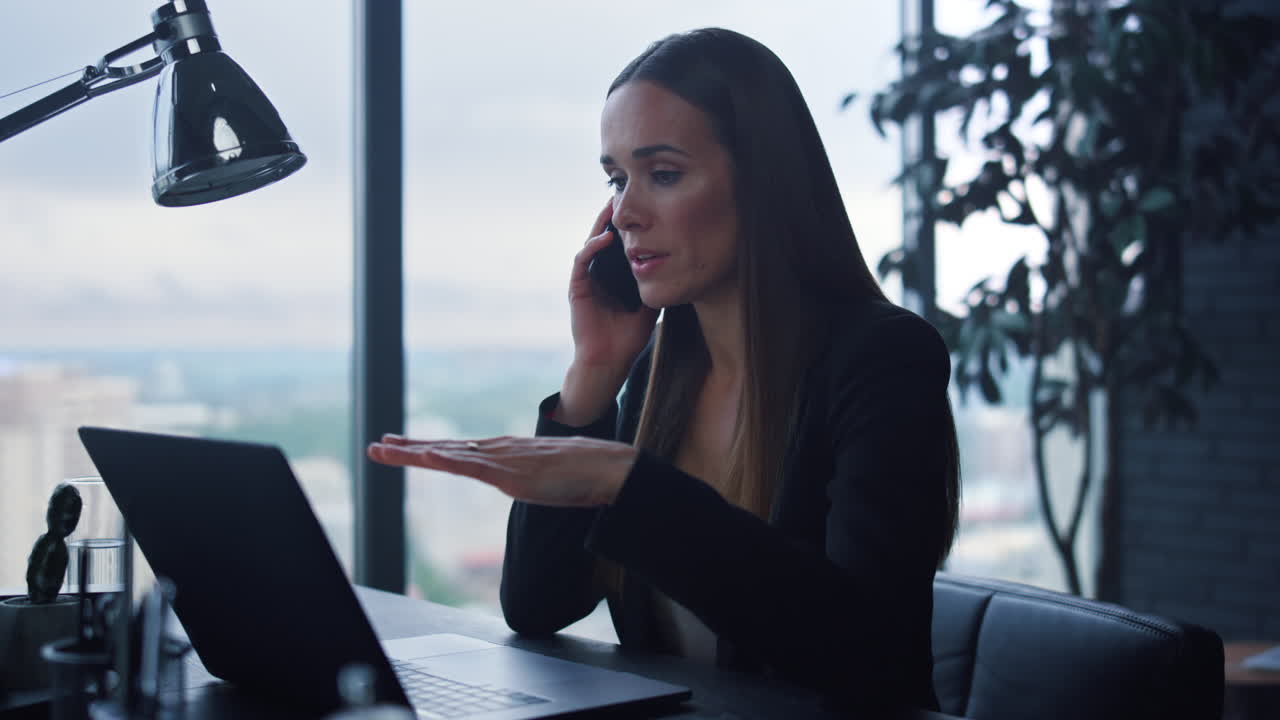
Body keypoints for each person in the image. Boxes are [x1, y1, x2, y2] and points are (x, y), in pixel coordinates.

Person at [367, 27, 960, 715]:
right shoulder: (659, 373)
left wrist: (625, 481)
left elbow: (868, 653)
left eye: (664, 174)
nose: (624, 212)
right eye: (616, 179)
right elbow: (537, 606)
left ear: (762, 183)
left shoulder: (882, 359)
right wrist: (591, 379)